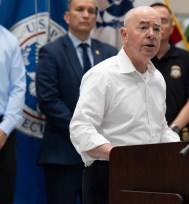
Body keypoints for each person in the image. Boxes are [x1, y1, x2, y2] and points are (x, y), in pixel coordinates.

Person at [70, 6, 180, 204]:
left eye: (156, 29)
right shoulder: (102, 75)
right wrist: (121, 156)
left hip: (151, 174)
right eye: (143, 27)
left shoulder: (157, 79)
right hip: (109, 174)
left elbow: (159, 127)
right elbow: (80, 128)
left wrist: (180, 149)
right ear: (124, 34)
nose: (151, 35)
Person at [35, 0, 117, 203]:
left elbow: (116, 98)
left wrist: (95, 137)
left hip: (101, 156)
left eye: (91, 11)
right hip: (62, 153)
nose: (86, 15)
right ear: (67, 16)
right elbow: (48, 100)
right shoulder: (50, 52)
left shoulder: (109, 54)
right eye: (79, 9)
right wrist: (82, 132)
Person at [150, 3, 189, 141]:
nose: (158, 25)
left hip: (178, 135)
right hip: (141, 137)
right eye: (153, 21)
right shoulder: (137, 59)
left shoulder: (188, 59)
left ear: (172, 28)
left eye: (163, 21)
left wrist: (172, 130)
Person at [0, 25, 26, 204]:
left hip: (3, 132)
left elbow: (18, 87)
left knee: (3, 194)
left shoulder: (9, 41)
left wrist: (3, 131)